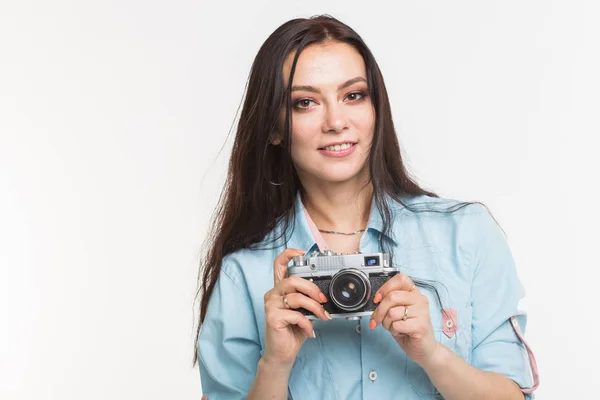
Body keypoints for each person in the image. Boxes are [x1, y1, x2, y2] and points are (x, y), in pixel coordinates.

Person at [193, 14, 538, 400]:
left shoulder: (466, 235)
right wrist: (276, 363)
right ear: (274, 127)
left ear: (376, 107)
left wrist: (431, 354)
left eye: (353, 95)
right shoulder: (245, 272)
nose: (337, 121)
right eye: (305, 103)